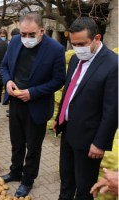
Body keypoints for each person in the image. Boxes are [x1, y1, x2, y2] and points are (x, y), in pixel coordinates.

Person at [0, 12, 66, 198]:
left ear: (42, 31)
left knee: (33, 147)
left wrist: (33, 93)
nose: (26, 38)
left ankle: (27, 180)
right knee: (17, 142)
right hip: (16, 102)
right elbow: (4, 67)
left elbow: (59, 80)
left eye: (31, 34)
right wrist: (8, 82)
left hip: (37, 106)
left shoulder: (55, 49)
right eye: (23, 34)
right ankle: (15, 171)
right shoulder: (14, 43)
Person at [53, 17, 118, 200]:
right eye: (73, 44)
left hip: (90, 141)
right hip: (68, 132)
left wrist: (100, 143)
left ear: (97, 38)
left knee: (84, 188)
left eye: (82, 43)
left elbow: (112, 110)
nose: (77, 48)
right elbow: (69, 92)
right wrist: (59, 119)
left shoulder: (113, 65)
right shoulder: (75, 59)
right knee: (66, 180)